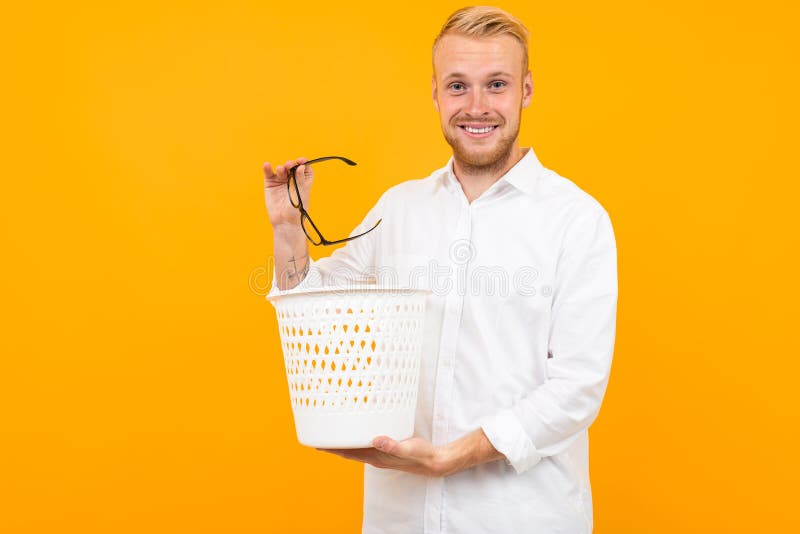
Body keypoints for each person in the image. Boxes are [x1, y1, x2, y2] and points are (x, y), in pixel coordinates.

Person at [262, 6, 617, 533]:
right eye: (458, 86)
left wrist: (454, 455)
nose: (477, 106)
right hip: (400, 517)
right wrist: (288, 229)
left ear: (526, 90)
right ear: (435, 94)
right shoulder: (398, 209)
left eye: (496, 84)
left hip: (523, 518)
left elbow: (577, 389)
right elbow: (310, 312)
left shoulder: (577, 220)